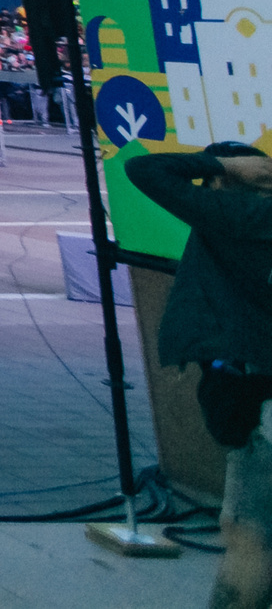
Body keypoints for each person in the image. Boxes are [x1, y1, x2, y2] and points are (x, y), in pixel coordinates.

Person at [126, 142, 272, 609]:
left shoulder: (239, 214)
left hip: (254, 390)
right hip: (251, 387)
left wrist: (227, 167)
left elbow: (145, 170)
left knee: (249, 532)